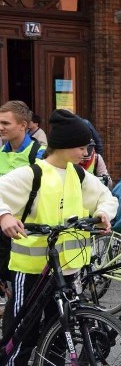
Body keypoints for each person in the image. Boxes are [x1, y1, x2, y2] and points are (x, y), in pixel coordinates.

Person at [0, 109, 117, 366]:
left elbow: (107, 197)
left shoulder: (78, 176)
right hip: (31, 270)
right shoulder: (31, 175)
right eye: (83, 146)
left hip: (68, 271)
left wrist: (104, 214)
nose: (87, 152)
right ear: (66, 145)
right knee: (21, 338)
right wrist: (5, 216)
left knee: (58, 338)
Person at [0, 101, 45, 296]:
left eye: (6, 123)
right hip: (3, 229)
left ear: (23, 125)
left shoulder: (41, 154)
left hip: (28, 233)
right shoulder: (1, 154)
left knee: (30, 294)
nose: (1, 128)